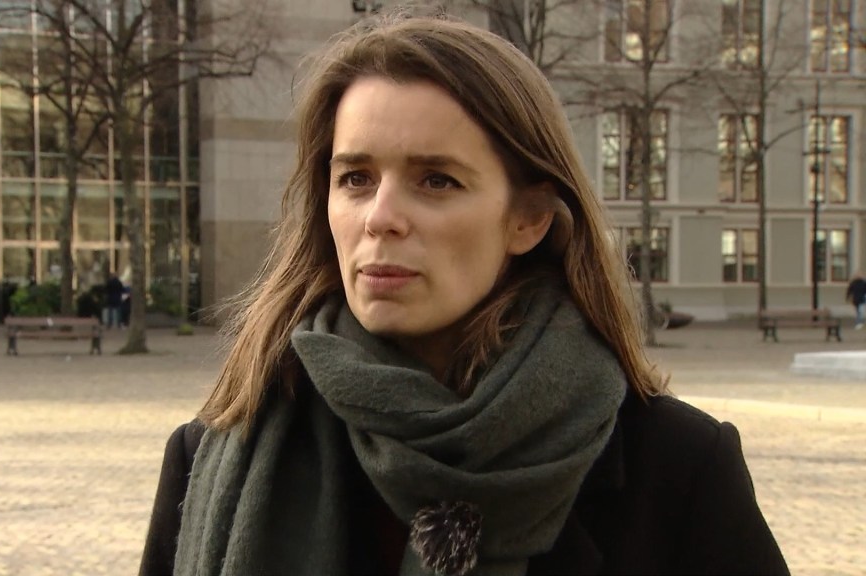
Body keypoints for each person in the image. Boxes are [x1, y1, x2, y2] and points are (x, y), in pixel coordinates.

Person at [140, 10, 788, 576]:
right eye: (356, 178)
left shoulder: (676, 467)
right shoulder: (214, 454)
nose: (380, 217)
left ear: (529, 218)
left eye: (436, 181)